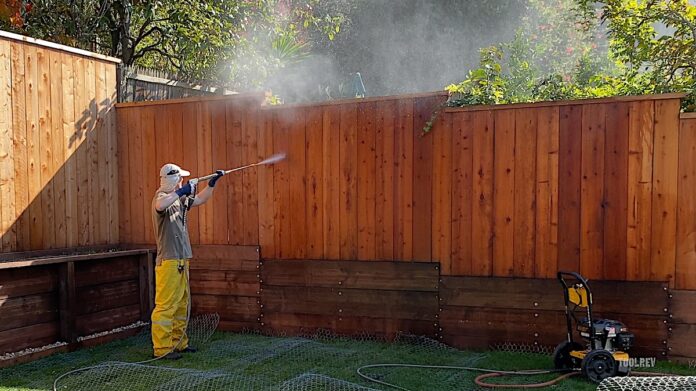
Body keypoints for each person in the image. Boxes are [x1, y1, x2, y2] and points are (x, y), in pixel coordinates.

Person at [150, 163, 225, 359]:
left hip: (182, 261)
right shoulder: (161, 198)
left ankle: (179, 343)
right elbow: (160, 206)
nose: (182, 181)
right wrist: (182, 189)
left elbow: (199, 199)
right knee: (166, 305)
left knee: (181, 304)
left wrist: (211, 185)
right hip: (169, 262)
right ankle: (162, 349)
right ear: (172, 179)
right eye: (180, 179)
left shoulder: (180, 199)